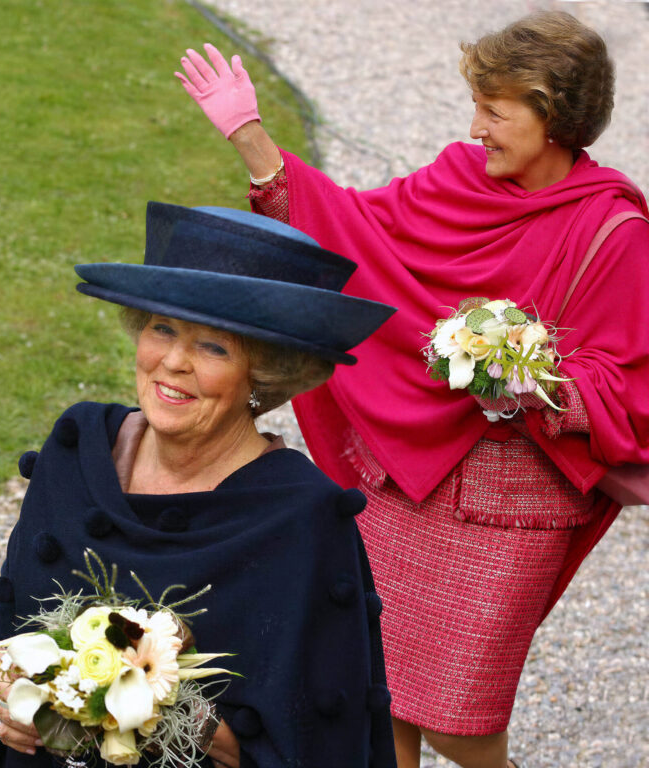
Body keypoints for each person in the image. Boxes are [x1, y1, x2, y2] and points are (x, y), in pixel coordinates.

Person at [175, 10, 649, 768]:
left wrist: (526, 376)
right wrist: (253, 144)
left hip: (510, 508)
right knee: (379, 699)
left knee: (463, 726)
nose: (477, 127)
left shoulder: (613, 230)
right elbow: (353, 233)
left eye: (495, 110)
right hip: (402, 485)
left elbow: (626, 386)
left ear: (553, 115)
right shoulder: (460, 177)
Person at [0, 202, 398, 767]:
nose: (172, 361)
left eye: (214, 346)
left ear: (266, 373)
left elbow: (315, 743)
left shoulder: (301, 516)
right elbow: (7, 604)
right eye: (163, 329)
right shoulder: (80, 446)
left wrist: (149, 698)